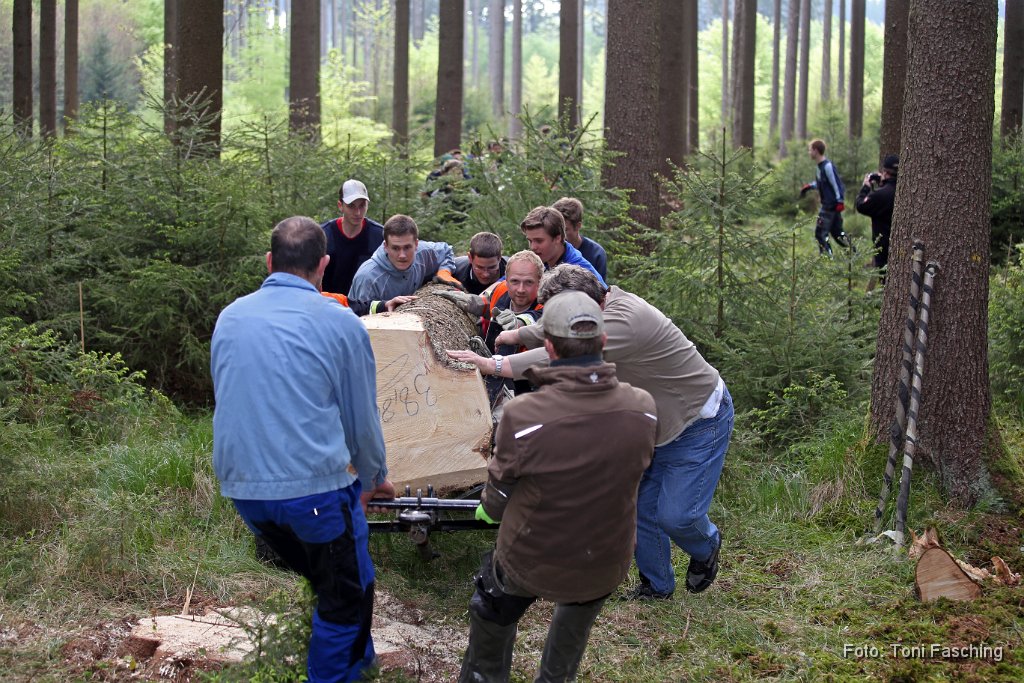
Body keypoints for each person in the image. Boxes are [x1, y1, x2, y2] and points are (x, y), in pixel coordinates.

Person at [447, 264, 733, 600]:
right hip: (657, 423)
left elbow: (560, 351)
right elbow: (557, 329)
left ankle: (706, 546)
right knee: (641, 509)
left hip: (697, 420)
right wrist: (518, 334)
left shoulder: (624, 321)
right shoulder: (600, 307)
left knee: (677, 516)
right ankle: (657, 588)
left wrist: (497, 364)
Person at [211, 216, 394, 683]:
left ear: (270, 261)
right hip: (311, 493)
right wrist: (373, 480)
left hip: (243, 492)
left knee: (350, 575)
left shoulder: (230, 316)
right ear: (324, 265)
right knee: (342, 600)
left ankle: (362, 664)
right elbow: (362, 420)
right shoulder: (340, 323)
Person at [457, 291, 658, 683]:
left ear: (547, 346)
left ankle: (483, 676)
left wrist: (489, 508)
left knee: (492, 605)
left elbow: (497, 497)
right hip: (605, 559)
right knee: (577, 616)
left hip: (530, 556)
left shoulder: (524, 414)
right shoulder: (644, 407)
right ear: (602, 342)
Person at [348, 214, 462, 310]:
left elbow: (447, 250)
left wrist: (444, 271)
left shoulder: (424, 252)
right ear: (386, 246)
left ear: (416, 244)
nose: (402, 255)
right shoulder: (368, 278)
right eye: (396, 248)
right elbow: (357, 317)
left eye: (407, 247)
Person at [320, 179, 385, 295]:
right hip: (327, 304)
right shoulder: (323, 235)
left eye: (362, 206)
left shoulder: (379, 236)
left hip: (366, 306)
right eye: (351, 206)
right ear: (340, 206)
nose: (358, 212)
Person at [519, 205, 606, 286]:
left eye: (539, 241)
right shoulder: (541, 261)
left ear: (558, 238)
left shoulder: (580, 275)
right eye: (530, 241)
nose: (533, 247)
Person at [800, 139, 851, 257]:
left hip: (830, 205)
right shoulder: (819, 167)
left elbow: (836, 184)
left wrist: (840, 201)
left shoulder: (827, 166)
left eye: (810, 150)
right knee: (838, 233)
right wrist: (809, 186)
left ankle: (827, 259)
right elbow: (822, 183)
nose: (809, 152)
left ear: (816, 151)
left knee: (820, 233)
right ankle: (853, 253)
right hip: (830, 205)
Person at [855, 154, 899, 289]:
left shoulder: (881, 195)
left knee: (886, 280)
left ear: (885, 172)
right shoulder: (904, 191)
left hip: (883, 245)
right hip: (900, 243)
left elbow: (861, 205)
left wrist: (866, 187)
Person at [552, 197, 608, 280]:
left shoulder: (596, 254)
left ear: (578, 226)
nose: (559, 236)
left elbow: (600, 289)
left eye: (565, 230)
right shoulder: (548, 252)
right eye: (556, 230)